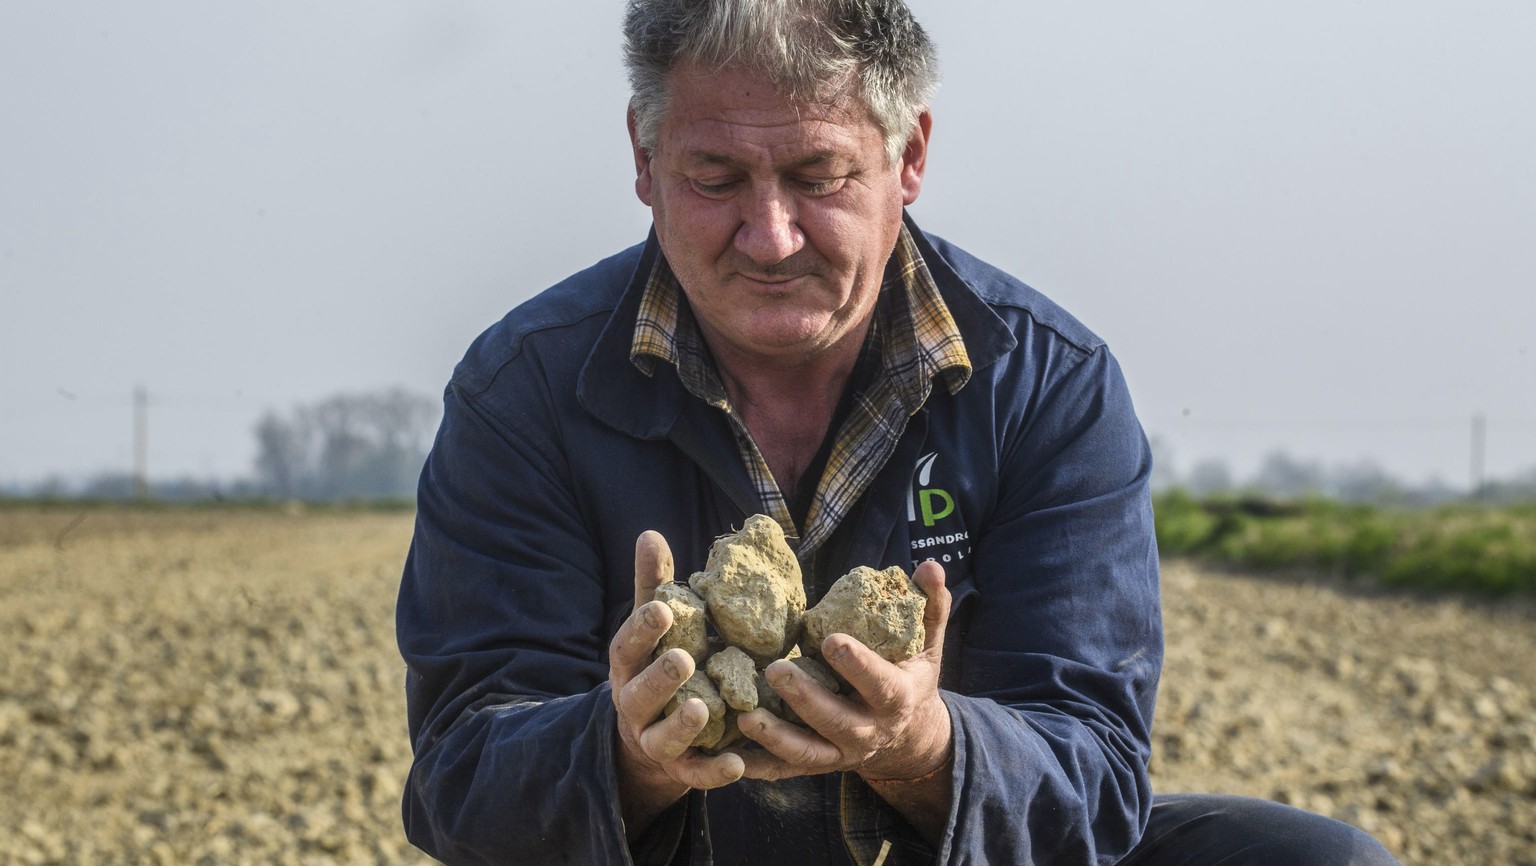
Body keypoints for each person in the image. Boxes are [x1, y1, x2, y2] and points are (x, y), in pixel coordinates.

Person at [396, 1, 1401, 864]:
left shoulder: (1047, 386)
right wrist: (626, 753)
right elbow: (460, 777)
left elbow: (1094, 777)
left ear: (909, 154)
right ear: (644, 158)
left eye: (818, 174)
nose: (771, 235)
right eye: (715, 178)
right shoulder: (523, 389)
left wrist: (922, 742)